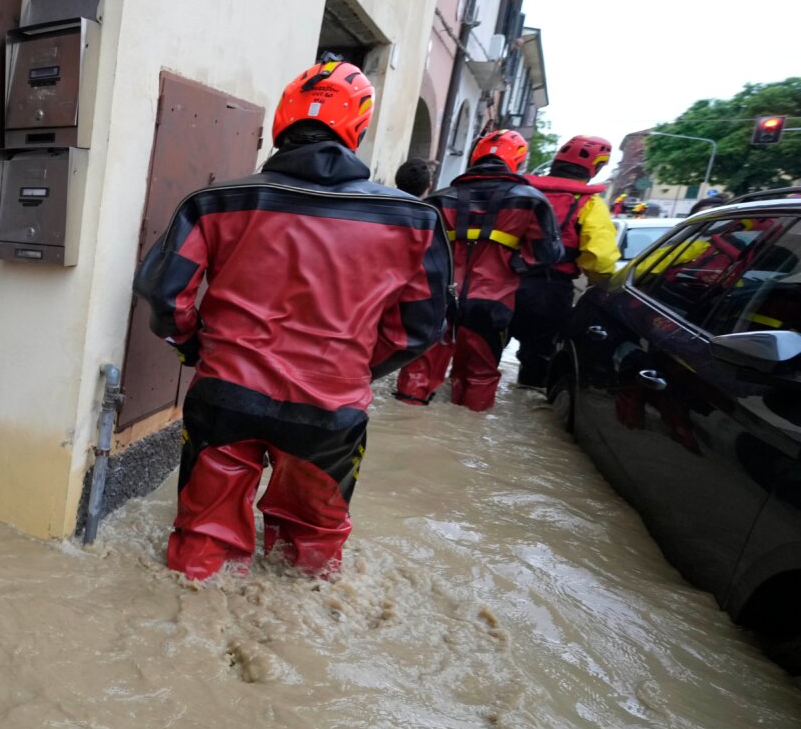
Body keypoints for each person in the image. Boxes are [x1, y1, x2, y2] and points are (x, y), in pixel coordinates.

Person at [133, 61, 451, 580]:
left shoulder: (215, 202)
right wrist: (353, 371)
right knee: (311, 550)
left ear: (283, 120)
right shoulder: (414, 220)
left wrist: (195, 348)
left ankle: (188, 630)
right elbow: (418, 330)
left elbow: (165, 296)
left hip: (226, 396)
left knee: (202, 545)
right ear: (359, 128)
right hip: (331, 410)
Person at [396, 129, 562, 412]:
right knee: (479, 376)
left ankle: (402, 432)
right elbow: (548, 253)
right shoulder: (531, 201)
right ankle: (465, 444)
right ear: (518, 161)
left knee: (418, 372)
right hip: (492, 302)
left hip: (438, 300)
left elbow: (415, 251)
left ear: (475, 157)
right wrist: (515, 264)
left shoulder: (439, 199)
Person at [512, 135, 618, 389]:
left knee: (481, 358)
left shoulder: (520, 192)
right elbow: (601, 260)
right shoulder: (589, 203)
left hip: (501, 284)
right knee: (537, 364)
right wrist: (600, 287)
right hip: (550, 292)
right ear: (596, 168)